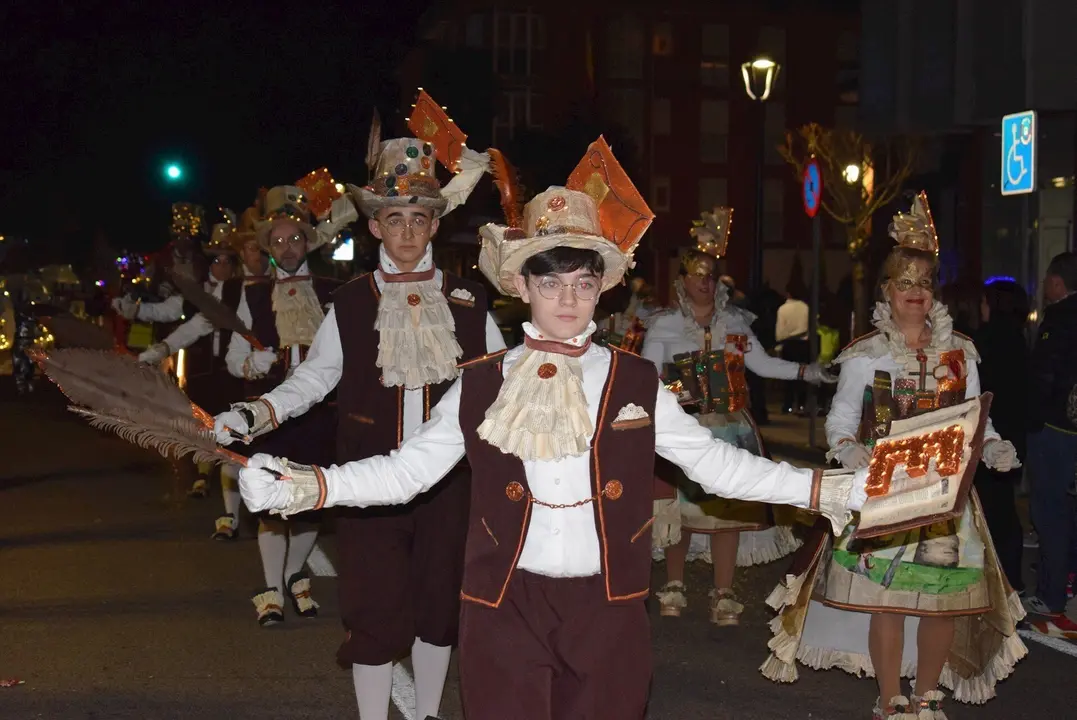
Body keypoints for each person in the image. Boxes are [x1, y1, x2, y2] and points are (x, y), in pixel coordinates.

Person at [235, 143, 868, 720]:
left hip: (611, 608)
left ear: (602, 291)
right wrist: (306, 488)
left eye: (583, 284)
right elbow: (405, 472)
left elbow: (715, 466)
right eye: (551, 283)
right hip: (504, 606)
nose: (567, 300)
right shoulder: (483, 381)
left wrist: (822, 492)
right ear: (521, 285)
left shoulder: (635, 380)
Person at [217, 133, 501, 720]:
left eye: (418, 218)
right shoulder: (349, 301)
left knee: (439, 607)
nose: (406, 231)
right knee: (371, 610)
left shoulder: (471, 302)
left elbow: (505, 389)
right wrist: (257, 412)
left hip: (450, 485)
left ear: (433, 225)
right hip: (366, 481)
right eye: (394, 218)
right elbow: (314, 379)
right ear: (374, 227)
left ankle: (426, 713)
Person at [761, 193, 1025, 720]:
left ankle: (926, 696)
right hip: (885, 491)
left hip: (946, 494)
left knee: (939, 597)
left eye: (924, 284)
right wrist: (850, 450)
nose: (916, 293)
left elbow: (976, 415)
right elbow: (838, 422)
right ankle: (890, 699)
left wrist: (992, 444)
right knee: (889, 598)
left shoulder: (962, 353)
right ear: (887, 289)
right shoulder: (866, 355)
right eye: (905, 283)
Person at [642, 207, 834, 626]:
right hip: (685, 426)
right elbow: (647, 378)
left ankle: (723, 590)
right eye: (698, 274)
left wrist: (807, 372)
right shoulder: (665, 324)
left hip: (732, 426)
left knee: (726, 509)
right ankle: (674, 584)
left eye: (712, 275)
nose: (706, 282)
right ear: (682, 280)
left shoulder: (735, 323)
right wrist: (681, 389)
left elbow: (762, 365)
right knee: (684, 510)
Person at [221, 185, 342, 626]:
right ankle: (271, 586)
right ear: (267, 247)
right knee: (271, 504)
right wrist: (258, 361)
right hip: (272, 415)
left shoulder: (335, 290)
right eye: (277, 241)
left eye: (295, 239)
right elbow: (235, 360)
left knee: (311, 502)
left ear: (307, 243)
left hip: (322, 413)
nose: (286, 247)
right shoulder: (253, 296)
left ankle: (294, 575)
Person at [138, 212, 270, 535]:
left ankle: (271, 512)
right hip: (230, 378)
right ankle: (230, 516)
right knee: (228, 440)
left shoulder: (284, 287)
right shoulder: (226, 292)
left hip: (274, 382)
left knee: (261, 450)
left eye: (260, 250)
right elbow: (196, 325)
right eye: (249, 250)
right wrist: (163, 348)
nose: (254, 256)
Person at [1023, 251, 1077, 637]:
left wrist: (1032, 419)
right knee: (1069, 508)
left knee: (1051, 510)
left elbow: (1043, 376)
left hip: (1056, 428)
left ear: (1057, 283)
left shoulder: (1058, 320)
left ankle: (1051, 594)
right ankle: (1066, 581)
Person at [973, 279, 1029, 596]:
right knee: (1003, 507)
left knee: (993, 510)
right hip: (1012, 430)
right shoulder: (1019, 338)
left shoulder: (985, 341)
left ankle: (1002, 580)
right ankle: (1010, 578)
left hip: (993, 434)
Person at [776, 288, 811, 414]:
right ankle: (801, 404)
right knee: (802, 376)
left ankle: (788, 404)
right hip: (803, 344)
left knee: (788, 376)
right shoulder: (805, 307)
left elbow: (780, 332)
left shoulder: (783, 309)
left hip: (788, 344)